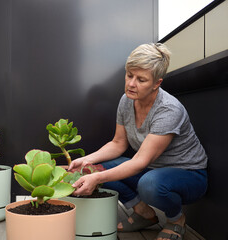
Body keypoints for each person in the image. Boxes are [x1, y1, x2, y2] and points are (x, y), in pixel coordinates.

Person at [69, 43, 208, 240]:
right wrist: (86, 161)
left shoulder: (168, 110)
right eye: (129, 75)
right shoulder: (127, 100)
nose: (131, 84)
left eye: (141, 79)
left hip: (189, 175)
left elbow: (140, 161)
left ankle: (176, 220)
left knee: (148, 184)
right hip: (152, 170)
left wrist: (97, 178)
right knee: (99, 167)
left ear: (156, 83)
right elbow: (118, 143)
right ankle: (144, 213)